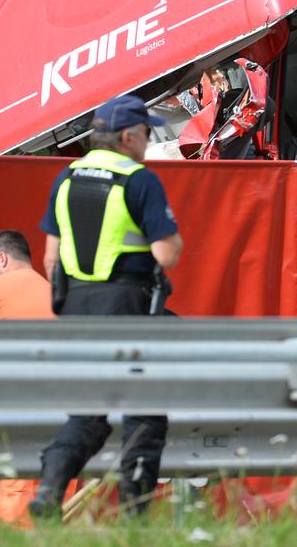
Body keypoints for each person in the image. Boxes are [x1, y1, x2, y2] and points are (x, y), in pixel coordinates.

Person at [29, 95, 184, 519]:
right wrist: (175, 242)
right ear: (129, 136)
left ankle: (49, 489)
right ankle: (135, 515)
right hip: (128, 305)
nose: (148, 141)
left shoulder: (66, 178)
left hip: (77, 306)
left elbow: (49, 259)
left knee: (88, 413)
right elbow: (166, 254)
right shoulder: (138, 180)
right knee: (144, 414)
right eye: (148, 134)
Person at [0, 230, 61, 527]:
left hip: (11, 406)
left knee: (13, 485)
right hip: (60, 408)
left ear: (2, 257)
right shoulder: (56, 291)